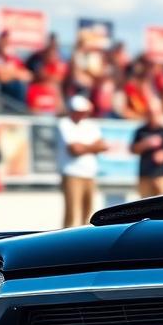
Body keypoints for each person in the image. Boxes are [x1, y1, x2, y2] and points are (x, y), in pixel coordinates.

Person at [56, 95, 107, 227]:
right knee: (72, 212)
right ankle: (66, 241)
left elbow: (103, 146)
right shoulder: (64, 123)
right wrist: (93, 147)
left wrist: (84, 147)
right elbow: (75, 150)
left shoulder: (90, 125)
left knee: (88, 213)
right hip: (72, 173)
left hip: (89, 173)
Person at [131, 104, 163, 198]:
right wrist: (145, 144)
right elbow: (133, 149)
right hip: (145, 174)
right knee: (144, 204)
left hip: (162, 175)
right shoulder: (141, 131)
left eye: (156, 113)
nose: (153, 116)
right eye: (151, 113)